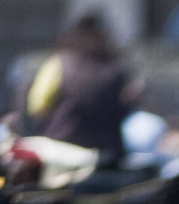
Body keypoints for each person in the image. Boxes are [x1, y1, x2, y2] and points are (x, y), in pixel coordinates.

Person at [26, 11, 138, 168]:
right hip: (109, 154)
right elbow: (128, 105)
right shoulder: (116, 69)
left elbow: (38, 106)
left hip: (63, 151)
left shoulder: (60, 63)